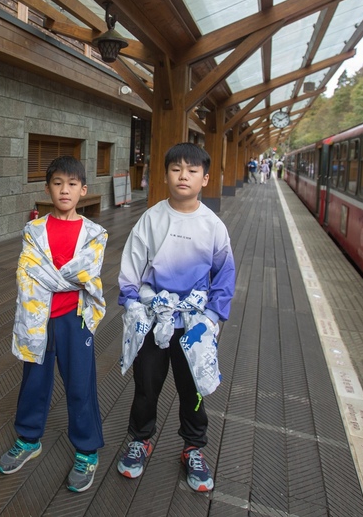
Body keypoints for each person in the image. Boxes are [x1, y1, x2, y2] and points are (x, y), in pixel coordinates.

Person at [116, 143, 236, 492]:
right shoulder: (151, 218)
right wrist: (133, 303)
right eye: (176, 168)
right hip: (154, 321)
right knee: (145, 387)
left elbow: (225, 275)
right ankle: (140, 440)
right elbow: (131, 268)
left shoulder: (213, 226)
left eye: (192, 170)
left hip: (194, 326)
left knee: (193, 390)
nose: (184, 175)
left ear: (205, 178)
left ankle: (193, 448)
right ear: (165, 174)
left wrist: (212, 318)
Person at [0, 156, 108, 492]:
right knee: (35, 379)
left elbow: (87, 272)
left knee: (80, 383)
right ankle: (29, 439)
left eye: (72, 184)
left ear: (83, 191)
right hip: (38, 319)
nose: (64, 190)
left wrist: (52, 277)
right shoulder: (34, 230)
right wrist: (65, 279)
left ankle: (87, 449)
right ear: (47, 189)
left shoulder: (94, 233)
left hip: (75, 319)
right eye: (58, 183)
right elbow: (26, 271)